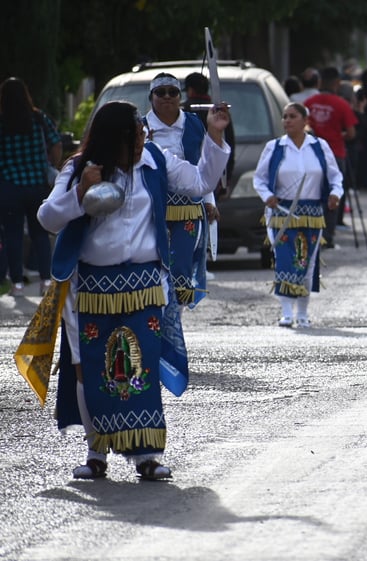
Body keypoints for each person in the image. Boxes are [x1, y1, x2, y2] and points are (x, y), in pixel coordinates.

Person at [35, 100, 230, 480]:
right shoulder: (79, 168)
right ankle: (96, 455)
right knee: (88, 368)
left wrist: (215, 133)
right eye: (137, 134)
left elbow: (201, 181)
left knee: (141, 365)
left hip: (144, 285)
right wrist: (80, 193)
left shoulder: (155, 161)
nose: (144, 138)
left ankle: (147, 456)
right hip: (89, 287)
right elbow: (47, 218)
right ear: (117, 138)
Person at [252, 102, 343, 328]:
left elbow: (335, 176)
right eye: (284, 117)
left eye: (292, 116)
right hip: (282, 213)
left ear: (305, 120)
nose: (287, 121)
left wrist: (334, 194)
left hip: (312, 213)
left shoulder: (319, 146)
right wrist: (267, 196)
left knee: (307, 261)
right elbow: (259, 178)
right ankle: (286, 312)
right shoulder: (274, 147)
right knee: (284, 260)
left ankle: (302, 313)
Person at [144, 73, 217, 307]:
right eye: (160, 92)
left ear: (180, 96)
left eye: (172, 92)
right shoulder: (140, 128)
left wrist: (209, 200)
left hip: (188, 208)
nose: (167, 97)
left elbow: (205, 166)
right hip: (152, 208)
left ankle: (176, 319)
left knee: (182, 264)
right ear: (151, 97)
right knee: (155, 263)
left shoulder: (194, 124)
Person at [0, 77, 62, 297]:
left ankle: (17, 284)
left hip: (9, 187)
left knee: (13, 235)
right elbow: (56, 143)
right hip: (37, 184)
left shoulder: (2, 122)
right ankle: (46, 280)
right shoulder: (38, 118)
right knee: (40, 234)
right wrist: (51, 166)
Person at [304, 67, 357, 249]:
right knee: (333, 195)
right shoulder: (341, 104)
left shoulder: (308, 103)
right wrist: (337, 135)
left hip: (311, 155)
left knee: (312, 193)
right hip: (336, 154)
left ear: (319, 82)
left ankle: (310, 232)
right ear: (337, 83)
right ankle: (327, 236)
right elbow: (351, 133)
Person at [183, 72, 236, 198]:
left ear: (190, 90)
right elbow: (230, 143)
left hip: (191, 175)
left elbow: (226, 143)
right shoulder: (219, 112)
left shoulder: (184, 110)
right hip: (205, 173)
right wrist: (226, 177)